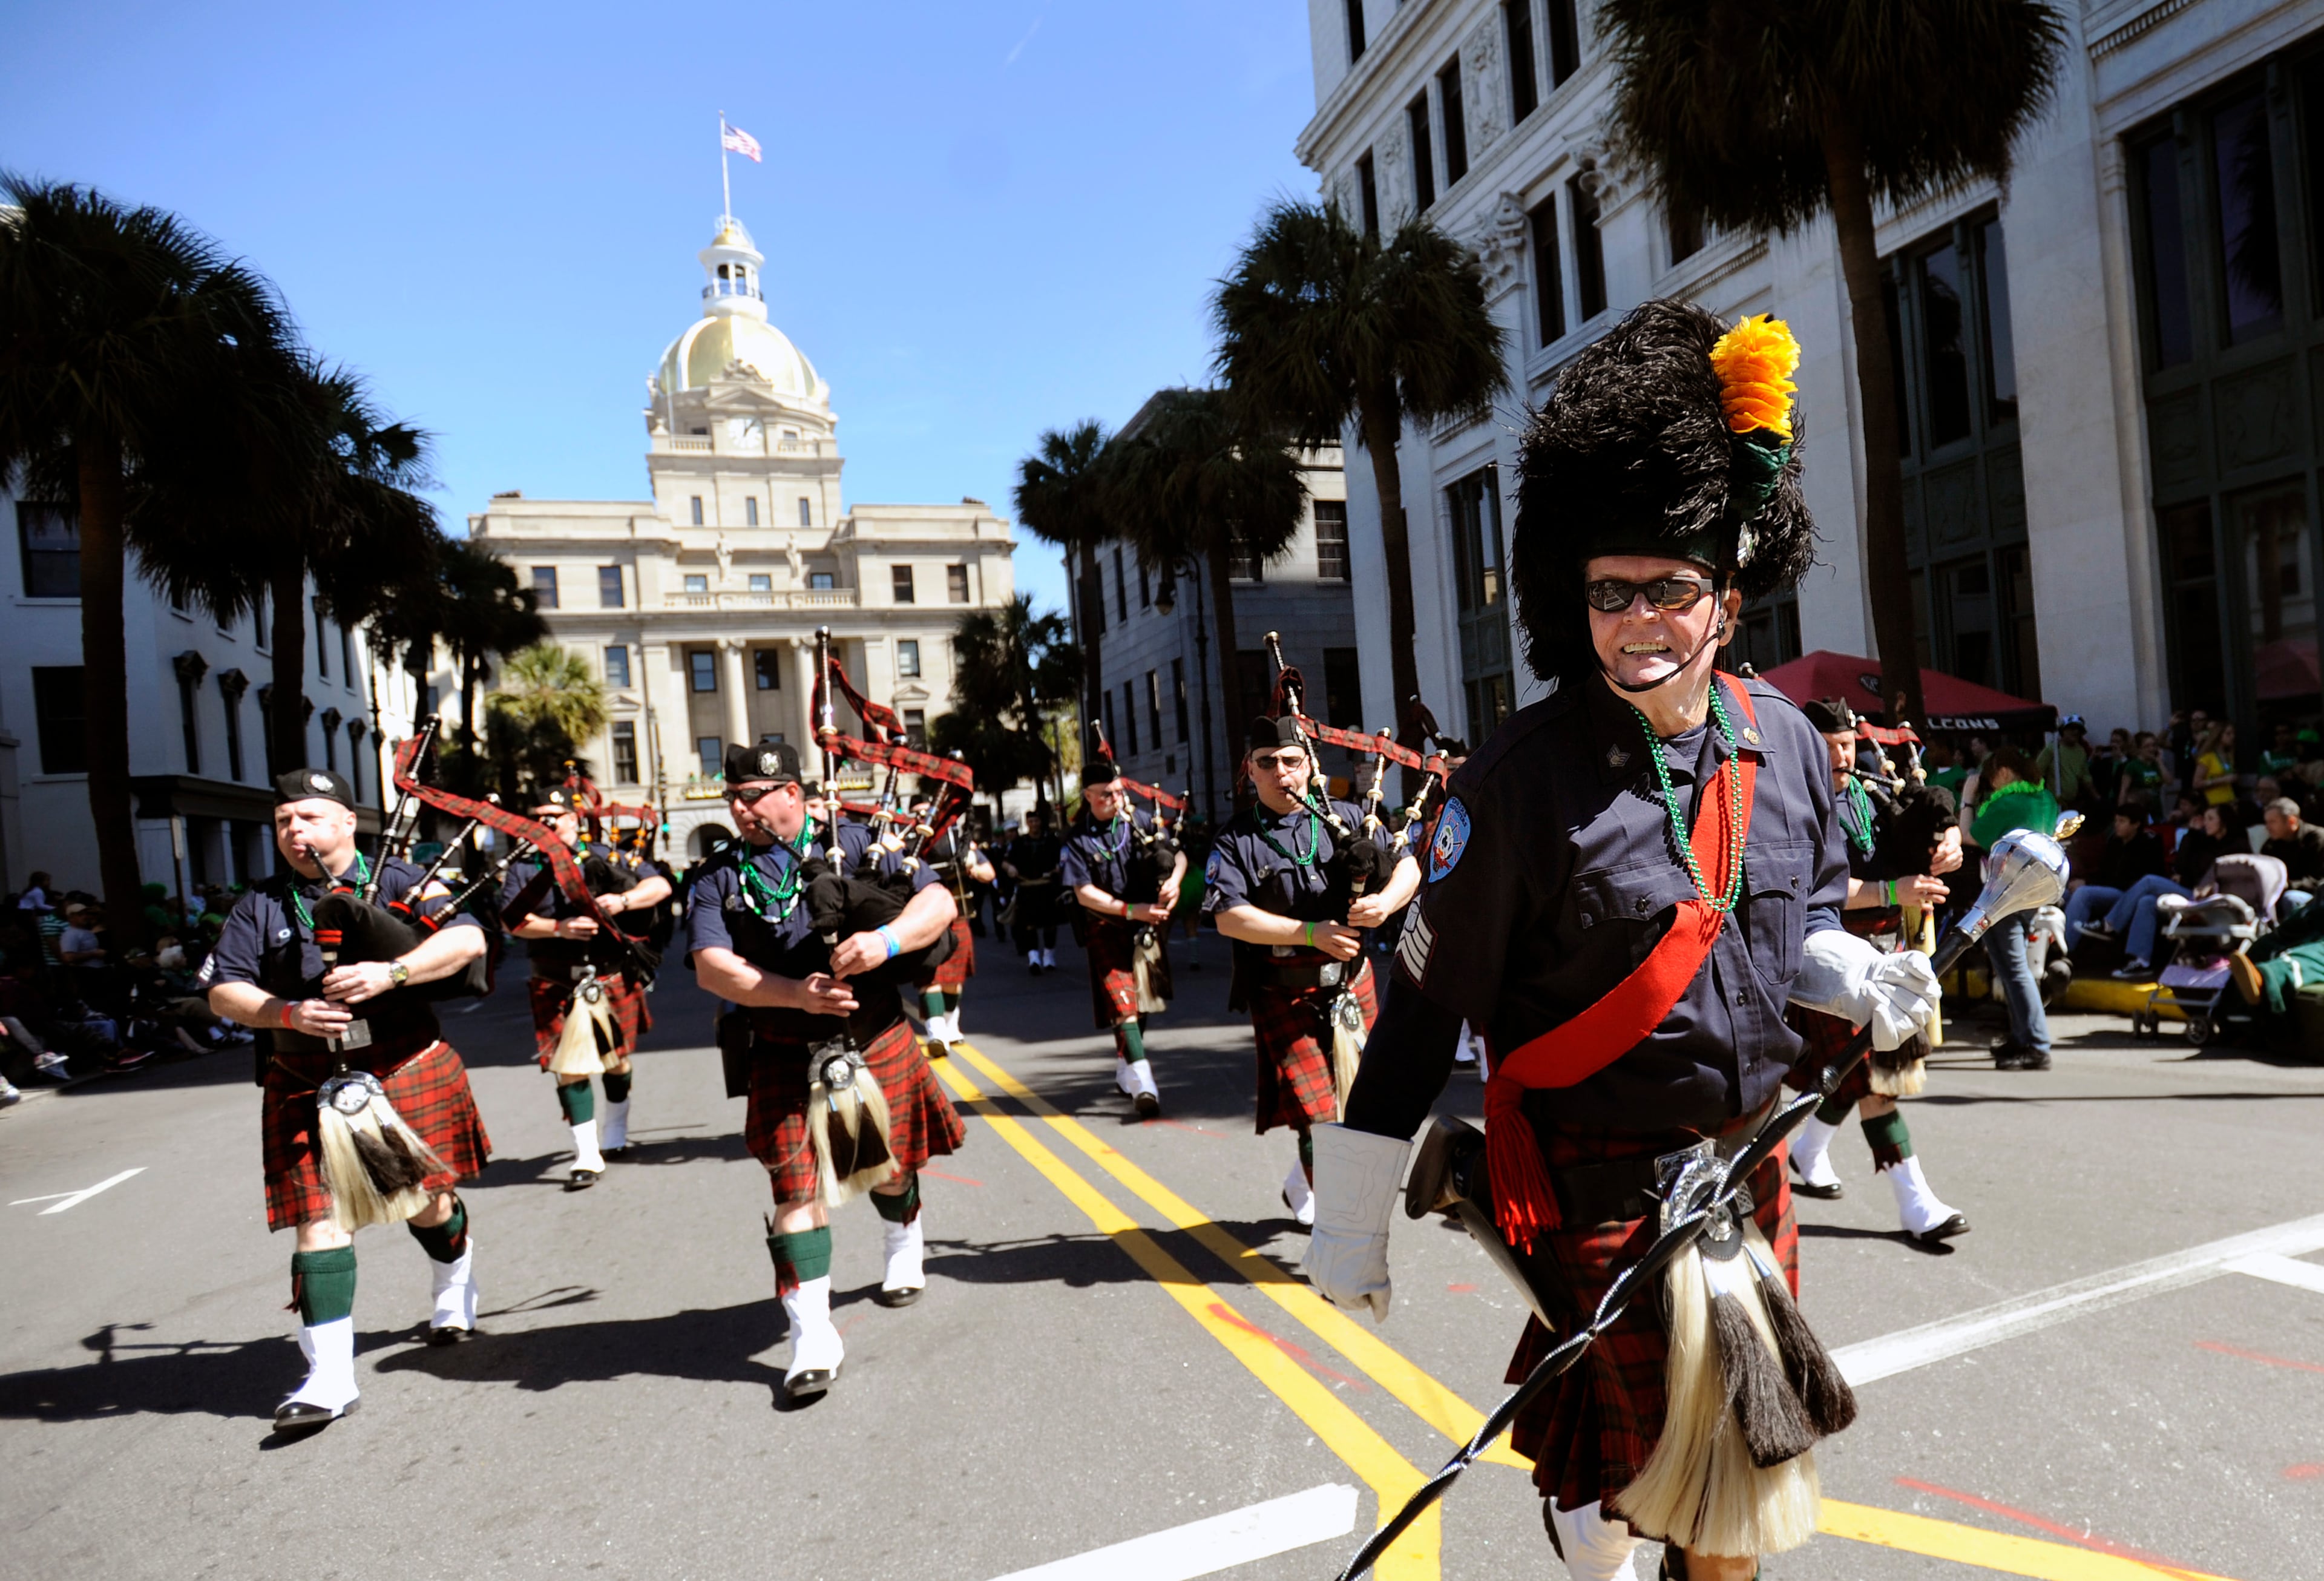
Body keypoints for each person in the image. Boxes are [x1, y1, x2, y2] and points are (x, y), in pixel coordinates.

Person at [1307, 304, 1938, 1579]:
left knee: (1736, 1500)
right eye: (1609, 593)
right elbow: (1425, 1009)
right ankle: (1591, 1525)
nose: (1636, 619)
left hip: (1738, 1162)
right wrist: (1352, 1222)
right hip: (1586, 1173)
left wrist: (1860, 973)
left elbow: (1799, 926)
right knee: (1619, 1500)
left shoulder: (1794, 745)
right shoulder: (1520, 780)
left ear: (1731, 598)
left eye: (1671, 588)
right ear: (1571, 596)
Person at [198, 769, 493, 1433]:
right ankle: (330, 1376)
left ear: (347, 821)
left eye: (308, 817)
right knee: (320, 1219)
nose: (294, 831)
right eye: (283, 822)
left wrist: (394, 970)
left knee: (427, 1201)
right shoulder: (262, 904)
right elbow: (222, 991)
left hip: (401, 1062)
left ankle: (454, 1284)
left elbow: (468, 939)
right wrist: (286, 1012)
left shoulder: (404, 881)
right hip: (305, 1076)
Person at [684, 742, 963, 1399]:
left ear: (793, 795)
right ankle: (813, 1332)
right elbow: (710, 965)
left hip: (872, 1034)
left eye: (751, 795)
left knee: (891, 1164)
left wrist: (884, 941)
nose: (738, 807)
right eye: (733, 796)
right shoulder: (718, 875)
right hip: (784, 1044)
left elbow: (939, 905)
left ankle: (903, 1240)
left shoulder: (861, 841)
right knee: (794, 1194)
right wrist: (796, 994)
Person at [1203, 717, 1420, 1226]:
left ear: (1309, 766)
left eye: (1291, 761)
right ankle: (1342, 1228)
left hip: (1351, 986)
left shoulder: (1347, 818)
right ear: (1250, 772)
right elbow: (1227, 916)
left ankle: (1305, 1181)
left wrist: (1385, 904)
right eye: (1267, 763)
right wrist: (1309, 934)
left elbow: (1408, 864)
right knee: (1318, 1116)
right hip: (1286, 993)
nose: (1281, 772)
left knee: (1361, 1106)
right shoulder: (1235, 840)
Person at [1782, 698, 1968, 1243]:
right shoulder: (1795, 806)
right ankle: (1917, 1205)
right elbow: (1818, 888)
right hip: (1832, 962)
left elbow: (1928, 812)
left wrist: (1947, 839)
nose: (1843, 756)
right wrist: (1893, 890)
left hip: (1889, 951)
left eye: (1847, 745)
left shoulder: (1869, 798)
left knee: (1849, 1071)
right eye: (1831, 746)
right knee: (1875, 1081)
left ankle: (1807, 1151)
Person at [501, 786, 672, 1188]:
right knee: (569, 1068)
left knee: (616, 1061)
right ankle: (587, 1154)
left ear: (574, 820)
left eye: (554, 817)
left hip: (608, 976)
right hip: (554, 979)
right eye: (538, 817)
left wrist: (623, 901)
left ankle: (615, 1131)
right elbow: (512, 921)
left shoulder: (606, 856)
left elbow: (660, 887)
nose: (546, 824)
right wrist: (558, 928)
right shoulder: (525, 866)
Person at [1061, 753, 1186, 1118]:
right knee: (1123, 1003)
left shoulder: (1140, 822)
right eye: (1104, 794)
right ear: (1087, 796)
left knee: (1141, 1003)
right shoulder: (1076, 840)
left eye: (1117, 791)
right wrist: (1131, 910)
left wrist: (1174, 885)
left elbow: (1176, 856)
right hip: (1107, 926)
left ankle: (1125, 1069)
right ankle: (1144, 1081)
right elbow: (1083, 892)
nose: (1113, 799)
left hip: (1145, 926)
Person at [1966, 746, 2061, 1070]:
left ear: (2004, 772)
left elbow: (1969, 834)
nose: (1990, 787)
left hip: (2005, 892)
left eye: (1991, 780)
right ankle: (2021, 1037)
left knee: (2015, 970)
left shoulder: (2008, 802)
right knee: (2009, 969)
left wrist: (1967, 800)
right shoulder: (2046, 798)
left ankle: (2037, 1044)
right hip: (2033, 890)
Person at [2100, 802, 2233, 979]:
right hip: (2191, 893)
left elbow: (2212, 879)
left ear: (2224, 822)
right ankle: (2141, 961)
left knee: (2149, 881)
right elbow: (2180, 866)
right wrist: (2192, 834)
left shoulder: (2234, 846)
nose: (2205, 823)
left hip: (2212, 901)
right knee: (2146, 901)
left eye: (2210, 819)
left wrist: (2186, 879)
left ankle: (2110, 924)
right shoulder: (2203, 841)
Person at [913, 805, 993, 1056]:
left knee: (953, 982)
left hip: (957, 915)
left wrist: (974, 869)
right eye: (917, 813)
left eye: (927, 811)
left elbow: (989, 873)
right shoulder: (907, 844)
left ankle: (949, 1023)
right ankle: (936, 1032)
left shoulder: (958, 841)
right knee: (929, 976)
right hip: (923, 918)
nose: (923, 817)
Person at [2060, 797, 2168, 947]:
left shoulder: (2148, 845)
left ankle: (2064, 948)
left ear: (2136, 824)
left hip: (2127, 894)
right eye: (2116, 821)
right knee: (2065, 894)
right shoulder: (2115, 843)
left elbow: (2136, 880)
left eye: (2122, 821)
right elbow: (2104, 871)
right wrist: (2084, 881)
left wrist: (2087, 884)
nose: (2117, 825)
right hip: (2109, 889)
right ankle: (2050, 942)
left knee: (2083, 893)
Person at [1002, 806, 1064, 973]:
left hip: (1047, 888)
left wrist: (1059, 867)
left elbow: (1063, 857)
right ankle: (1034, 960)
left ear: (1041, 822)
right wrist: (1010, 868)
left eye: (1036, 821)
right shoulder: (1019, 842)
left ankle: (1049, 958)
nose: (1034, 824)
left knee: (1050, 925)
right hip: (1027, 890)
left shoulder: (1051, 840)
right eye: (1030, 821)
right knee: (1029, 926)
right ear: (1027, 823)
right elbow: (1005, 861)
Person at [2259, 797, 2323, 911]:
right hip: (2280, 895)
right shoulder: (2271, 846)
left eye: (2273, 822)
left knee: (2291, 898)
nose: (2267, 828)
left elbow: (2318, 880)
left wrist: (2288, 886)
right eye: (2266, 822)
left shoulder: (2318, 839)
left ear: (2292, 821)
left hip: (2315, 897)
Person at [2035, 717, 2096, 811]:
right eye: (2072, 729)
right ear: (2063, 731)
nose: (2076, 732)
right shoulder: (2053, 749)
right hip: (2055, 804)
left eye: (2079, 730)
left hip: (2074, 803)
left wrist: (2097, 796)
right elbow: (2037, 773)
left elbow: (2085, 776)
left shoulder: (2080, 751)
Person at [2192, 721, 2239, 808]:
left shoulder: (2228, 756)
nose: (2233, 737)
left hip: (2231, 802)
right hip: (2215, 804)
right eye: (2228, 734)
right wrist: (2222, 780)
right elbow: (2196, 783)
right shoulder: (2207, 758)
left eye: (2233, 733)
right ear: (2218, 736)